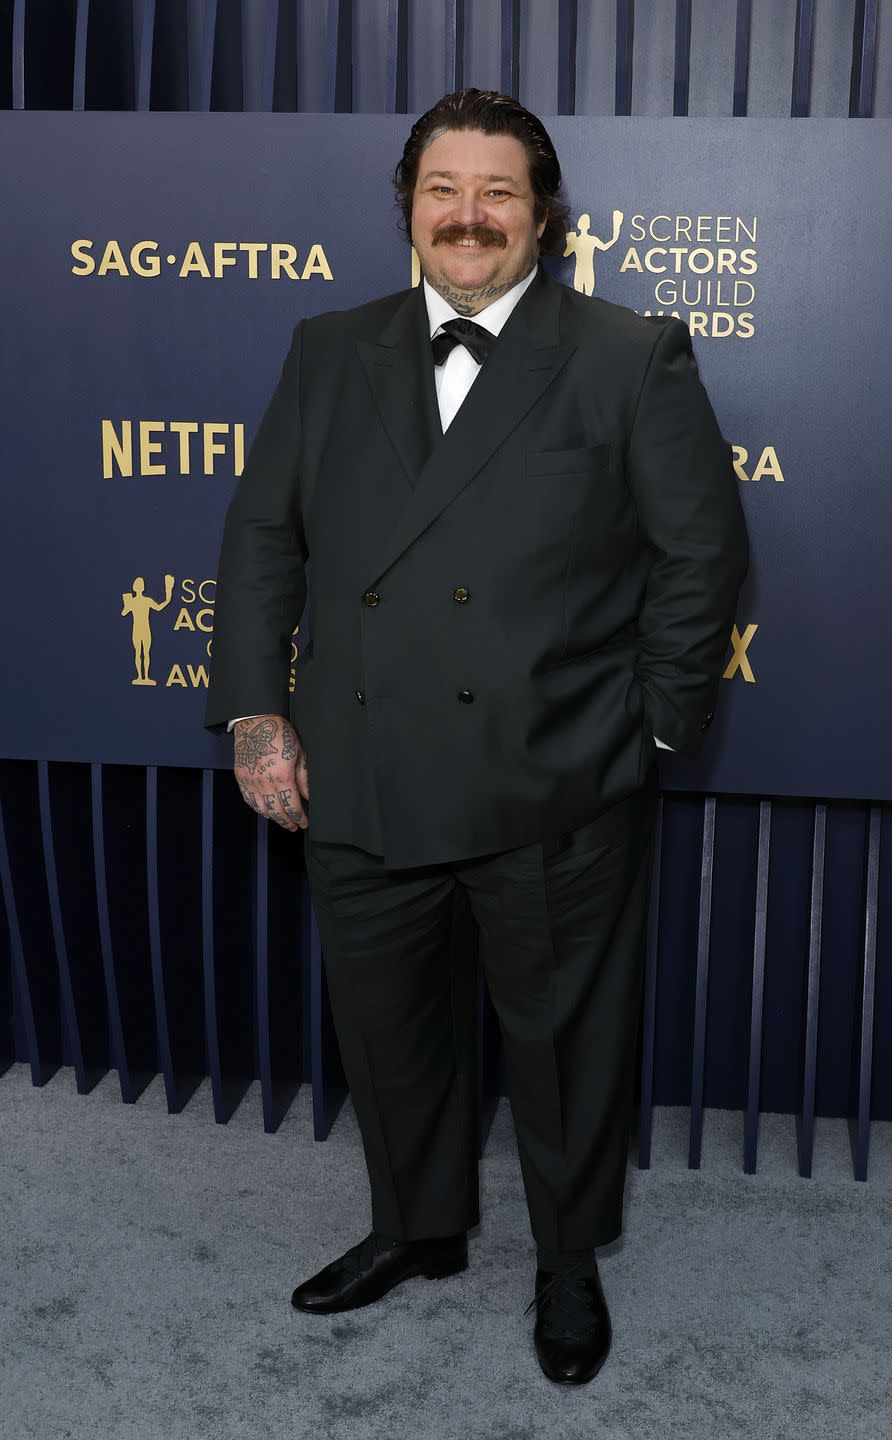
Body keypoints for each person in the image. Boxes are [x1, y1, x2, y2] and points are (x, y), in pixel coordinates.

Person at [205, 88, 748, 1386]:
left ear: (542, 215)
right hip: (360, 763)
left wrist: (647, 732)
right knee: (388, 1027)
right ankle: (418, 1227)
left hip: (554, 776)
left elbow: (702, 557)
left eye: (497, 192)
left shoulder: (630, 353)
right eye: (444, 188)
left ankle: (566, 1263)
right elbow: (262, 536)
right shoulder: (328, 347)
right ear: (410, 207)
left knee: (563, 1043)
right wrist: (257, 712)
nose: (469, 216)